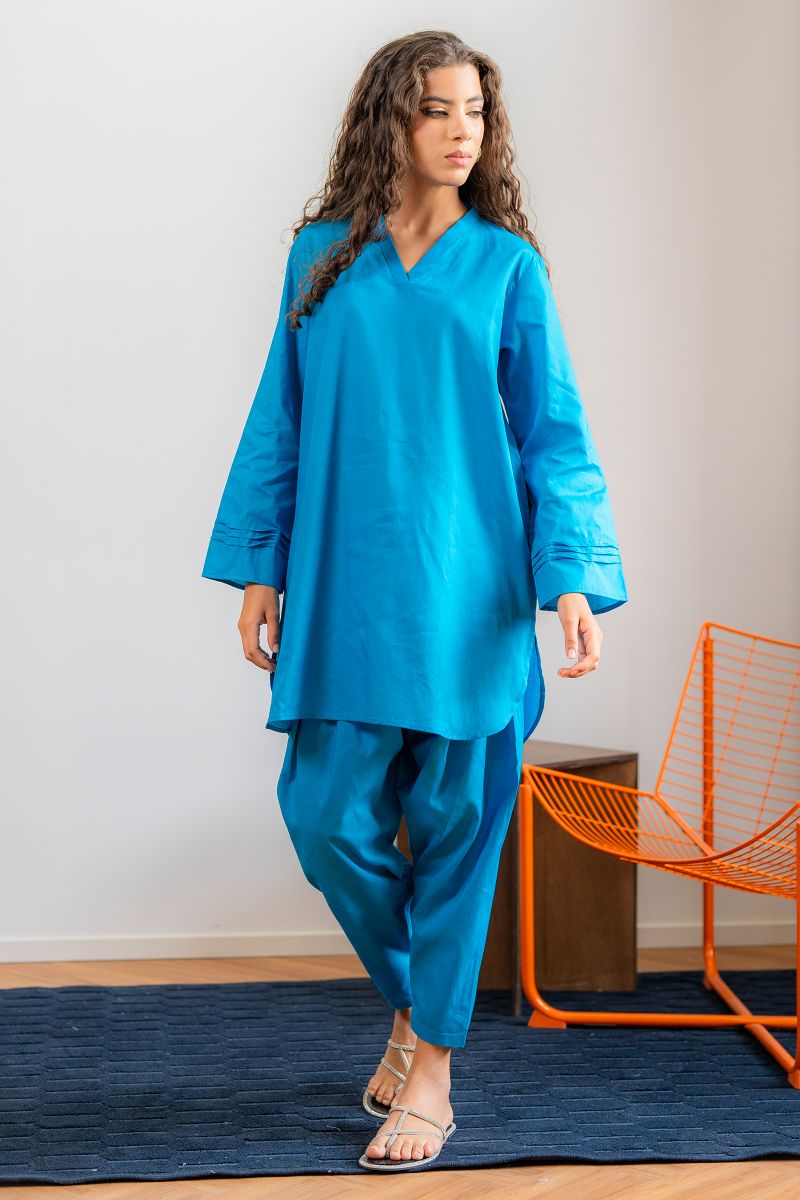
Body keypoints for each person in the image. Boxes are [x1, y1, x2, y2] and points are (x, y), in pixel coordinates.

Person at [201, 29, 628, 1173]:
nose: (459, 131)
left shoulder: (505, 268)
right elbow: (280, 419)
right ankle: (415, 1004)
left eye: (474, 112)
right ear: (386, 119)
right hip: (345, 589)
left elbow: (555, 436)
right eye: (435, 109)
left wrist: (571, 580)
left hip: (469, 595)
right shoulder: (320, 259)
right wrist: (259, 566)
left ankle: (431, 1071)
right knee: (325, 821)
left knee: (455, 836)